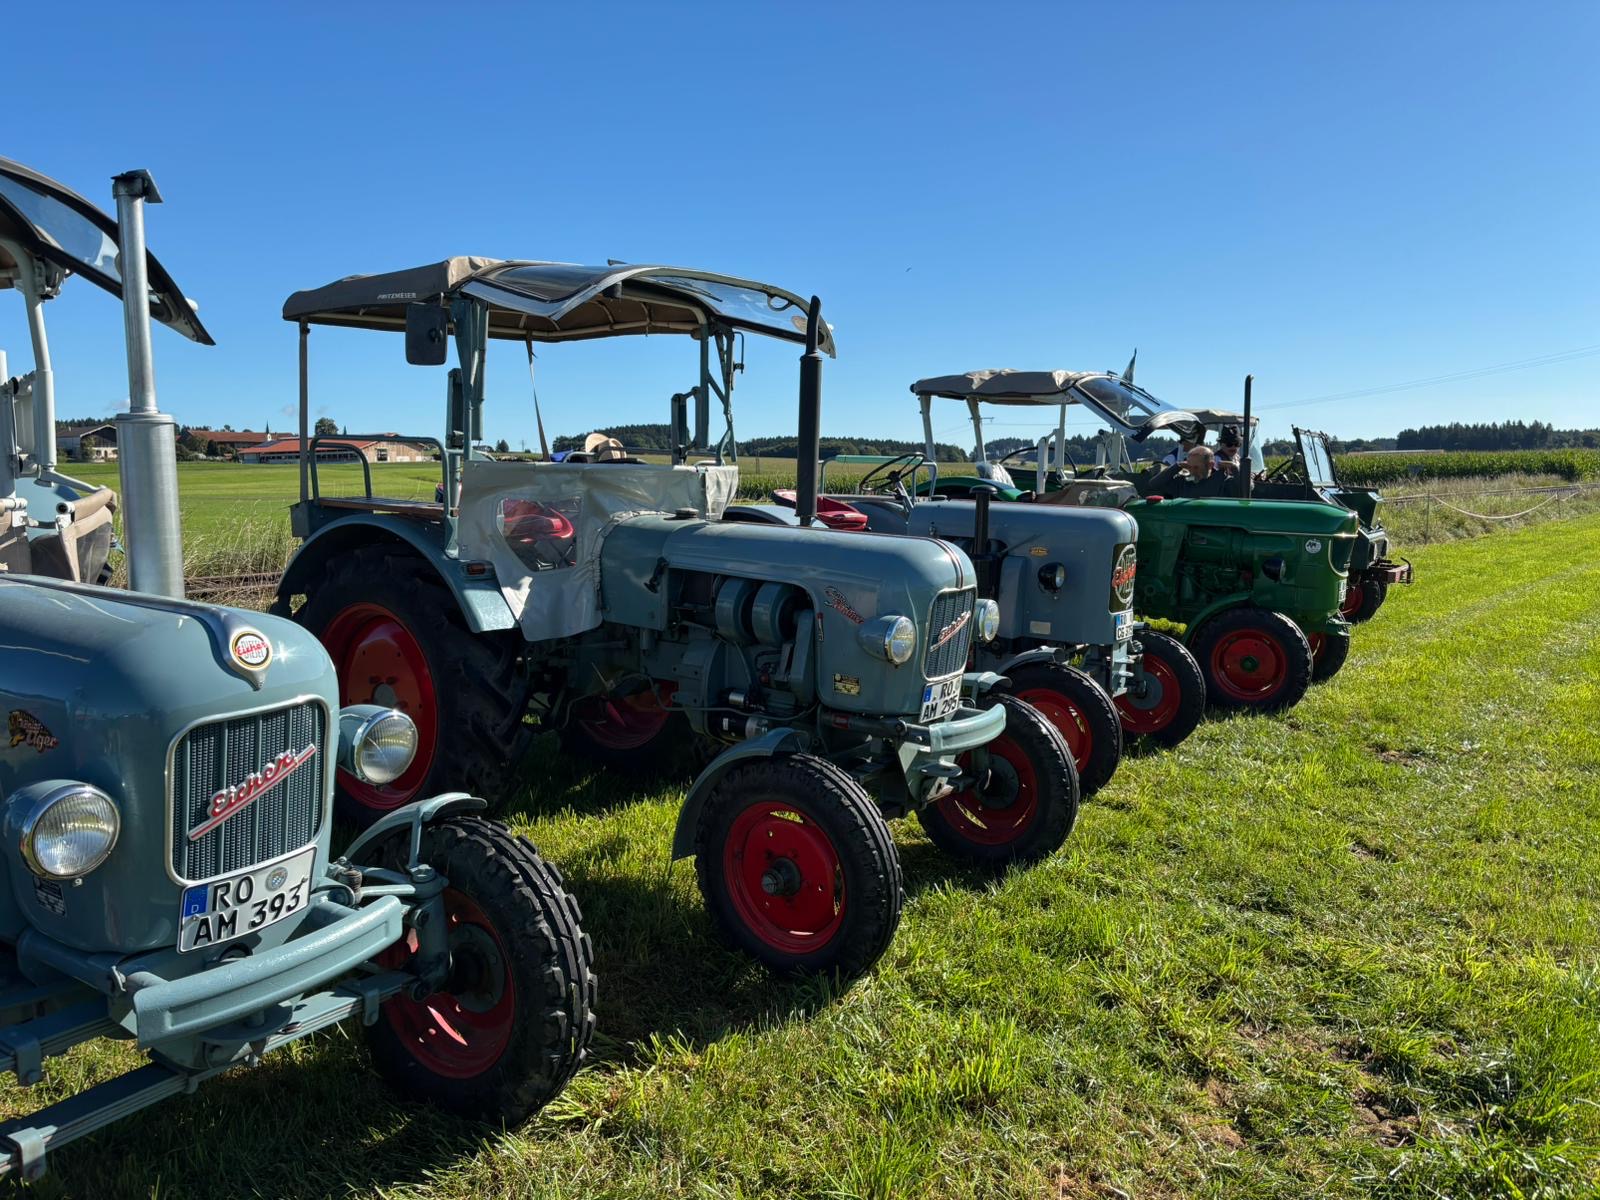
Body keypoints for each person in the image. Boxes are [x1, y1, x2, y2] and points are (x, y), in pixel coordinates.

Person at [1138, 444, 1242, 498]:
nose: (1192, 471)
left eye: (1196, 467)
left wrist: (1235, 468)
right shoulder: (1183, 483)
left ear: (1210, 465)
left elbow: (1244, 492)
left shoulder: (1223, 482)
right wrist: (1177, 466)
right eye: (1189, 467)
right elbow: (1154, 484)